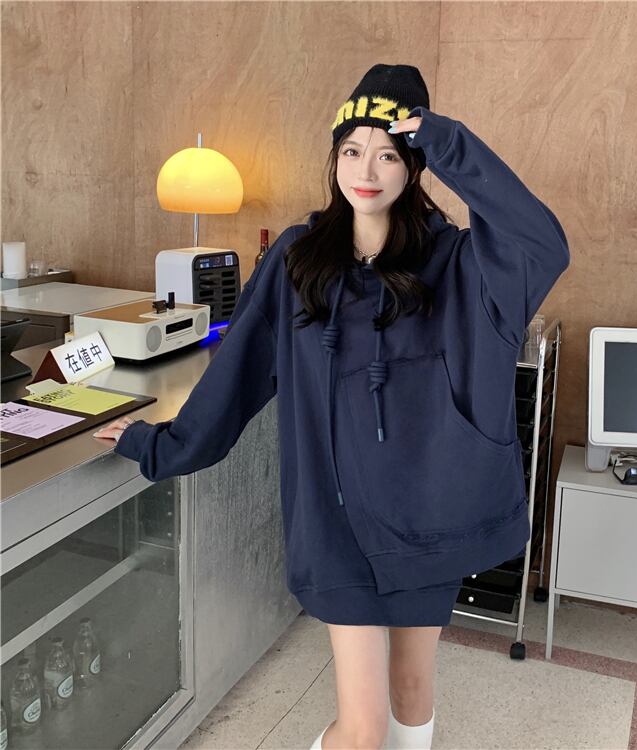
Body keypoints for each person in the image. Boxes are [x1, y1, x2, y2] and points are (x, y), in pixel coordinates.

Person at [93, 63, 570, 749]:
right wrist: (157, 443)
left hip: (430, 517)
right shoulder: (298, 259)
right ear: (334, 157)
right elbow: (239, 371)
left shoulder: (461, 265)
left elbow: (541, 244)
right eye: (351, 150)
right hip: (336, 523)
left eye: (388, 154)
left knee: (412, 688)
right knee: (364, 729)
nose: (365, 171)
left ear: (415, 165)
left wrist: (449, 141)